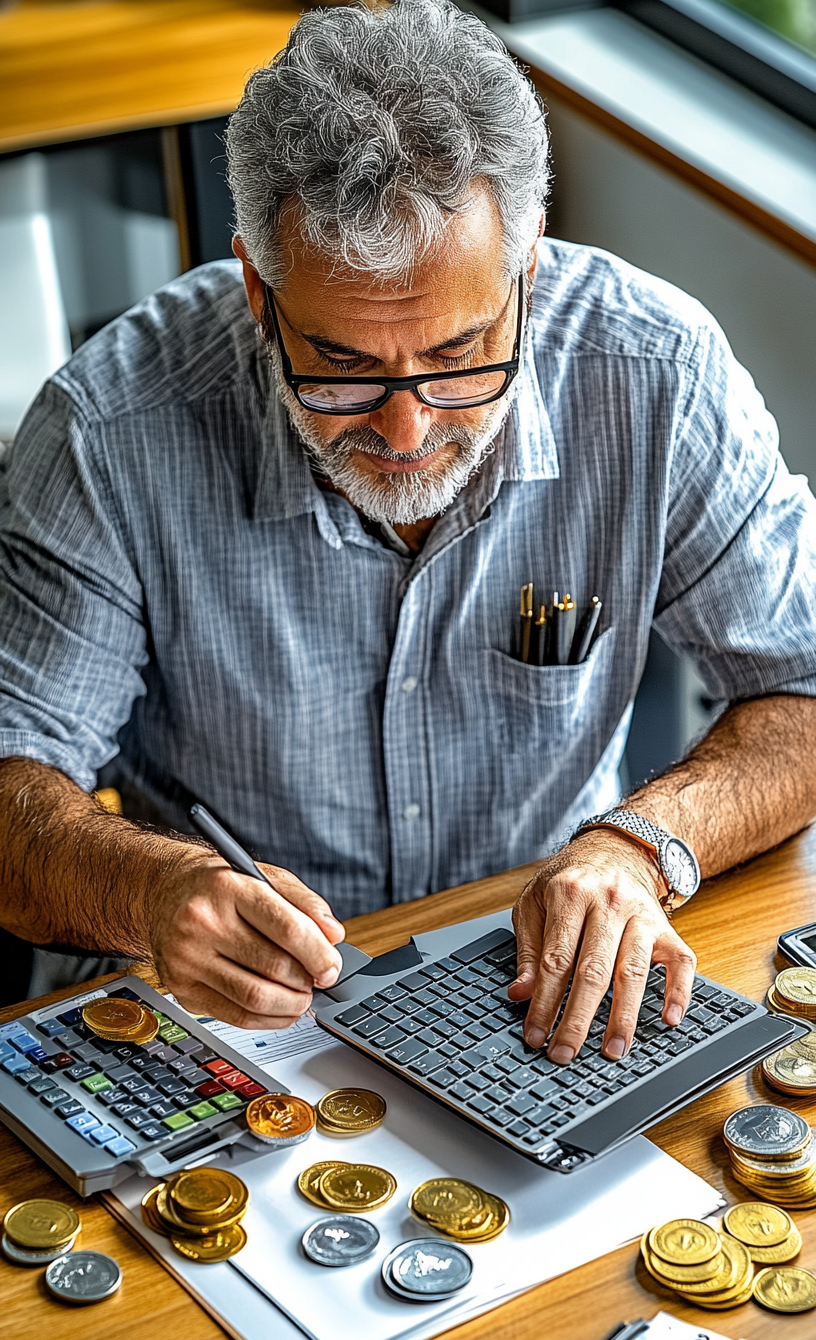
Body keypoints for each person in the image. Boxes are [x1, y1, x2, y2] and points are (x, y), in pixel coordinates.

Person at [0, 0, 815, 1069]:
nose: (406, 431)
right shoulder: (108, 429)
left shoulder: (656, 373)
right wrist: (152, 891)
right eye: (342, 366)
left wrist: (642, 843)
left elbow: (802, 687)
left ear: (527, 270)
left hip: (527, 988)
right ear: (258, 289)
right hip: (223, 1014)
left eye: (460, 356)